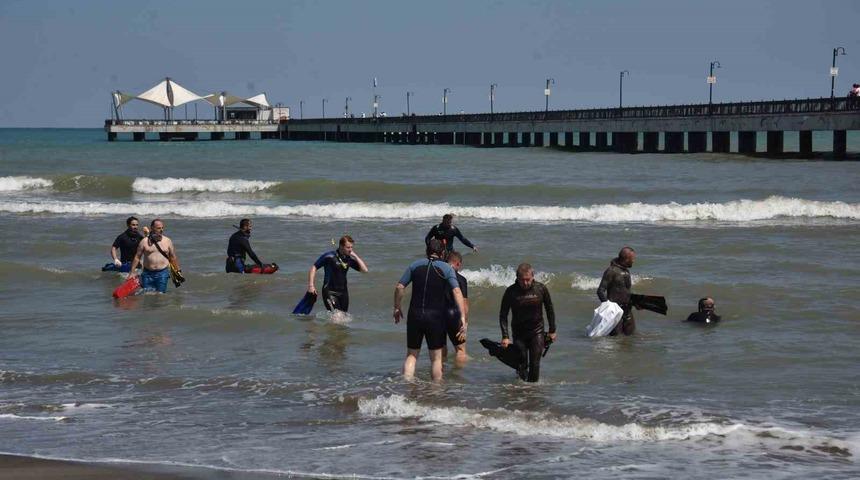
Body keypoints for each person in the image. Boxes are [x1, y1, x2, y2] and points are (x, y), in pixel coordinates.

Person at [394, 239, 466, 381]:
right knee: (436, 359)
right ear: (442, 253)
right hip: (435, 317)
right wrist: (462, 316)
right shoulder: (446, 268)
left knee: (412, 355)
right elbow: (457, 291)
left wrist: (397, 307)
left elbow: (399, 287)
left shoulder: (415, 265)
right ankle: (435, 393)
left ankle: (407, 387)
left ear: (427, 251)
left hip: (415, 315)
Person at [499, 263, 556, 382]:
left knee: (535, 363)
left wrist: (552, 331)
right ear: (517, 278)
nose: (525, 283)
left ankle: (532, 392)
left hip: (537, 331)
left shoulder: (541, 289)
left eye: (528, 280)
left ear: (533, 276)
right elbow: (503, 314)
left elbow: (549, 309)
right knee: (522, 363)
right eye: (522, 280)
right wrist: (505, 336)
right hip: (519, 333)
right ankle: (521, 392)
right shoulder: (511, 292)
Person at [307, 235, 368, 312]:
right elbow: (314, 267)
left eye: (352, 247)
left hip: (343, 293)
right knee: (337, 317)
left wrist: (355, 256)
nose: (350, 250)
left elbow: (365, 270)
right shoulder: (329, 256)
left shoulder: (348, 259)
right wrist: (311, 286)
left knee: (344, 318)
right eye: (348, 247)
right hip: (329, 292)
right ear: (341, 246)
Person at [129, 219, 181, 294]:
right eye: (159, 228)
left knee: (160, 294)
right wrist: (132, 272)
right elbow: (137, 257)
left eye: (162, 228)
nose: (161, 230)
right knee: (147, 295)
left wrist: (177, 270)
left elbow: (173, 257)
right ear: (152, 228)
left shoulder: (167, 241)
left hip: (162, 273)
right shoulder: (144, 241)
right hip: (147, 273)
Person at [596, 247, 636, 336]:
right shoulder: (611, 271)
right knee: (616, 339)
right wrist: (609, 307)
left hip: (627, 310)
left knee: (631, 338)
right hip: (615, 312)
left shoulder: (626, 271)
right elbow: (600, 291)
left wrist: (637, 303)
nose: (634, 261)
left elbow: (626, 292)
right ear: (626, 259)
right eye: (632, 259)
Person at [443, 251, 469, 363]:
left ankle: (438, 376)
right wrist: (465, 323)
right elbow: (464, 303)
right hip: (454, 316)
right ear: (458, 264)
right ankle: (457, 377)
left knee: (440, 350)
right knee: (460, 350)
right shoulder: (461, 279)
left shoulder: (438, 275)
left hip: (437, 315)